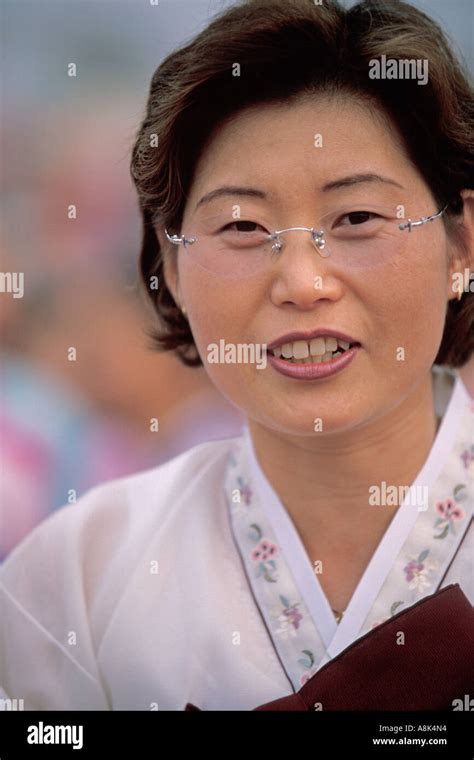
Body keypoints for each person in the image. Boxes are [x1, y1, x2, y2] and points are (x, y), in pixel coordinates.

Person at [1, 0, 473, 710]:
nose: (303, 282)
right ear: (174, 265)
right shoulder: (74, 577)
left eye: (357, 218)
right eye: (242, 226)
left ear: (463, 245)